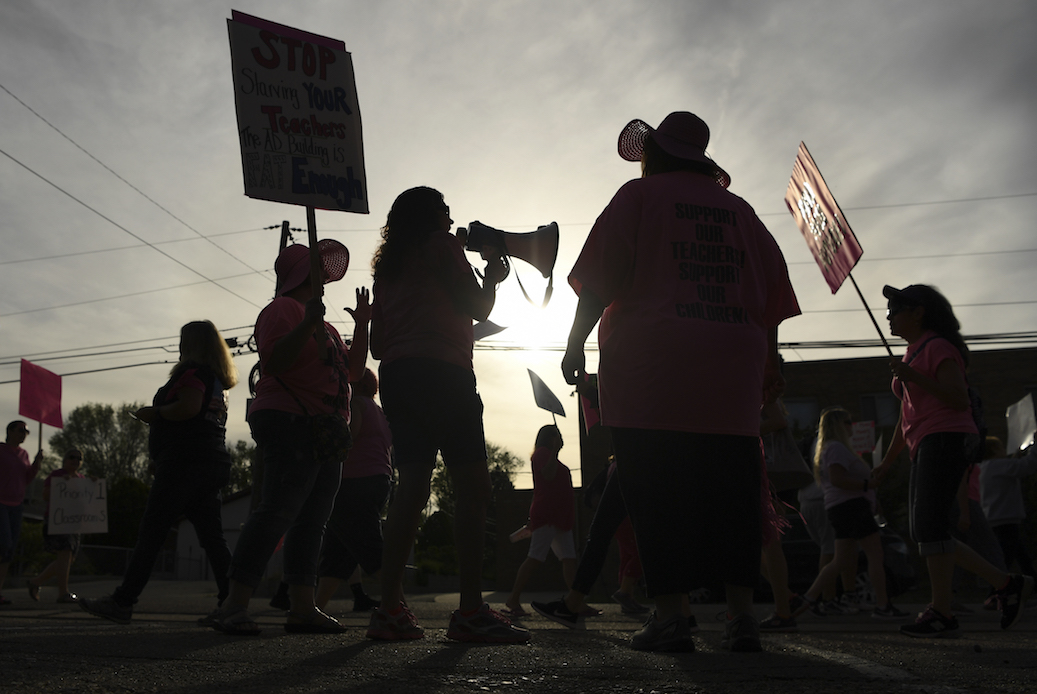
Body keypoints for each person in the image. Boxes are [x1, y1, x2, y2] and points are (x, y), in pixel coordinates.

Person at [561, 112, 800, 652]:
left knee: (654, 491)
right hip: (733, 365)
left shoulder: (637, 198)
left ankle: (671, 617)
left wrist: (574, 344)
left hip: (651, 365)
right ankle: (742, 619)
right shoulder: (740, 211)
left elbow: (596, 283)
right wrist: (768, 365)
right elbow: (769, 301)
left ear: (657, 154)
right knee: (735, 492)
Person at [366, 186, 528, 643]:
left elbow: (377, 345)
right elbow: (476, 306)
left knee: (412, 489)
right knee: (473, 487)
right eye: (446, 212)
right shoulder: (442, 246)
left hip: (398, 377)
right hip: (443, 373)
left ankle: (389, 609)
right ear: (432, 217)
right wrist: (492, 280)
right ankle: (471, 611)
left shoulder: (389, 267)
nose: (451, 220)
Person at [212, 240, 370, 636]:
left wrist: (363, 325)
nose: (322, 278)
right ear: (299, 273)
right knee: (278, 511)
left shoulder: (327, 325)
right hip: (291, 419)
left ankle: (303, 607)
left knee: (312, 521)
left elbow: (351, 371)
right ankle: (234, 604)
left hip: (324, 428)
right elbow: (275, 361)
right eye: (315, 269)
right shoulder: (282, 310)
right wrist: (305, 324)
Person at [875, 284, 1033, 637]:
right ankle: (947, 609)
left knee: (929, 528)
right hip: (926, 443)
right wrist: (887, 463)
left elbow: (958, 399)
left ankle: (1002, 585)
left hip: (946, 437)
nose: (889, 316)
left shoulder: (938, 347)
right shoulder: (910, 355)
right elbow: (906, 418)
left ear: (919, 312)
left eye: (896, 309)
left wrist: (914, 377)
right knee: (925, 530)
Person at [80, 321, 239, 624]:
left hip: (184, 464)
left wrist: (155, 413)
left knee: (152, 533)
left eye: (183, 341)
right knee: (213, 538)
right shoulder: (218, 381)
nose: (179, 346)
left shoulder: (192, 375)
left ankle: (123, 601)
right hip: (209, 461)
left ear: (191, 344)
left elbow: (189, 408)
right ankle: (232, 602)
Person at [795, 408, 908, 620]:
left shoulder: (829, 448)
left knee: (839, 560)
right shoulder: (836, 448)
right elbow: (838, 479)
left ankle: (808, 598)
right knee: (875, 555)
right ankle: (883, 605)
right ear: (837, 425)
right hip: (852, 508)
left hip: (842, 508)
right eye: (847, 422)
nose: (851, 426)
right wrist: (868, 484)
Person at [315, 367, 393, 613]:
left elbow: (351, 436)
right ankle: (315, 607)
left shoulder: (356, 405)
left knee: (370, 548)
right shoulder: (380, 412)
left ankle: (397, 607)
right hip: (380, 479)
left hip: (354, 482)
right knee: (338, 552)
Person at [504, 425, 576, 617]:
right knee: (535, 557)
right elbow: (548, 475)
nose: (560, 437)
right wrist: (555, 451)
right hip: (548, 516)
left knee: (569, 558)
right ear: (549, 438)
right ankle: (513, 599)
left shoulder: (549, 455)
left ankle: (576, 601)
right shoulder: (542, 454)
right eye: (556, 435)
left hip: (560, 518)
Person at [27, 448, 86, 603]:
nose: (75, 461)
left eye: (79, 459)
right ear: (65, 459)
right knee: (65, 553)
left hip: (74, 522)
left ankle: (36, 581)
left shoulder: (81, 479)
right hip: (58, 519)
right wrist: (62, 485)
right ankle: (63, 593)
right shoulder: (56, 475)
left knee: (68, 559)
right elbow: (45, 496)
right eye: (72, 457)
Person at [979, 437, 1037, 583]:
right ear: (994, 451)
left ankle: (1033, 583)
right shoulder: (1001, 466)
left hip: (993, 518)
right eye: (1001, 447)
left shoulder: (984, 467)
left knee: (1019, 554)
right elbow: (1028, 465)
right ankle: (996, 589)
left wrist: (1013, 460)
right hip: (1006, 518)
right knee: (1007, 557)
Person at [0, 420, 43, 604]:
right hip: (0, 503)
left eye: (26, 431)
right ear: (9, 431)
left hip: (16, 505)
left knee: (9, 551)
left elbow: (26, 479)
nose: (23, 434)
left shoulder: (24, 454)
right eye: (20, 430)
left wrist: (36, 465)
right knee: (4, 543)